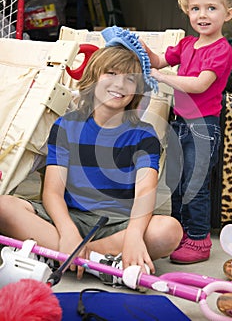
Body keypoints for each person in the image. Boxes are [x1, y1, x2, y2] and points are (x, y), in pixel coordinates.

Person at [0, 26, 182, 285]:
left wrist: (132, 235)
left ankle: (63, 255)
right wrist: (67, 231)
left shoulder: (144, 135)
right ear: (94, 77)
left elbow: (145, 193)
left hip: (116, 222)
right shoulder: (67, 125)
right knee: (4, 206)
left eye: (130, 79)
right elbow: (52, 191)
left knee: (169, 231)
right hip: (68, 215)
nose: (120, 84)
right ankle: (101, 261)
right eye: (111, 73)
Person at [141, 0, 232, 264]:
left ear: (228, 14)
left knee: (195, 183)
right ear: (187, 11)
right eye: (195, 9)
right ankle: (178, 233)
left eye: (211, 8)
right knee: (175, 181)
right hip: (179, 123)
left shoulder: (221, 50)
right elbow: (158, 60)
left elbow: (200, 84)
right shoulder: (187, 43)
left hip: (203, 127)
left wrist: (163, 78)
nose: (202, 15)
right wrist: (141, 49)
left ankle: (199, 239)